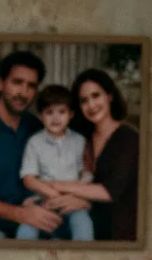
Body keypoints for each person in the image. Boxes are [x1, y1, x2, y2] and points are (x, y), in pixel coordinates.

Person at [0, 49, 67, 240]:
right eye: (17, 82)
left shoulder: (37, 128)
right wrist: (19, 214)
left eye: (31, 86)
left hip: (30, 221)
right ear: (0, 83)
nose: (23, 93)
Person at [59, 67, 141, 242]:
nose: (91, 105)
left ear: (109, 96)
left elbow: (110, 191)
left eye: (96, 96)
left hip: (120, 234)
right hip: (87, 228)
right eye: (84, 101)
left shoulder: (130, 139)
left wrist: (57, 186)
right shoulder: (83, 139)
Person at [15, 84, 95, 241]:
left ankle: (84, 255)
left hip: (72, 200)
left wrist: (74, 195)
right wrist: (53, 195)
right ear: (40, 116)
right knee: (27, 228)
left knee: (83, 224)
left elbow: (86, 174)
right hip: (43, 200)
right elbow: (28, 179)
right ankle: (21, 255)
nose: (56, 118)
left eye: (62, 112)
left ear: (71, 114)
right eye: (49, 112)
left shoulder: (80, 141)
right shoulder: (35, 142)